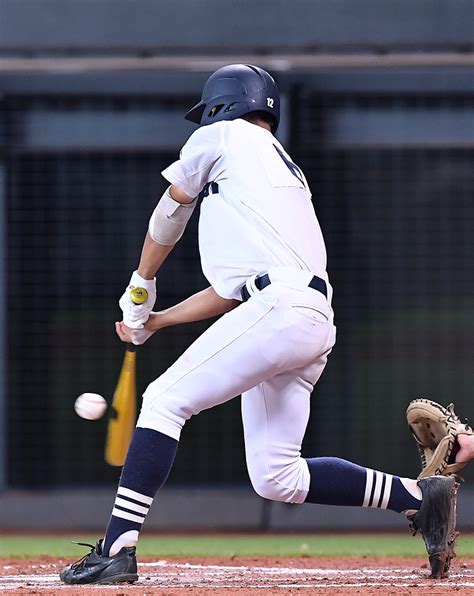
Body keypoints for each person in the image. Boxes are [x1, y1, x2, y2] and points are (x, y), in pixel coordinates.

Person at [60, 64, 458, 585]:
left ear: (220, 107)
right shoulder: (278, 172)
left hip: (279, 309)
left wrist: (141, 281)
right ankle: (417, 499)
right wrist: (157, 320)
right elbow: (233, 291)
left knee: (162, 401)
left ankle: (117, 546)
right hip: (306, 317)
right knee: (276, 475)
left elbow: (170, 212)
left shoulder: (221, 134)